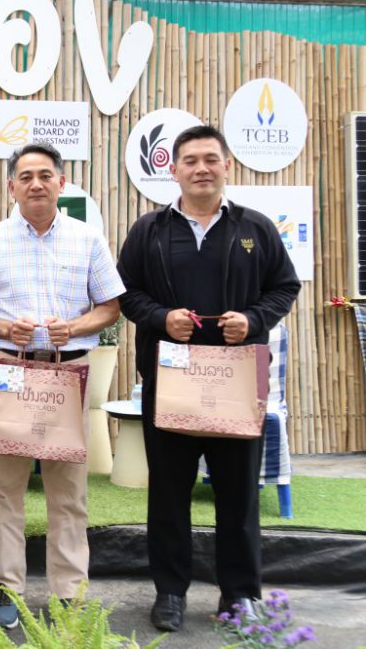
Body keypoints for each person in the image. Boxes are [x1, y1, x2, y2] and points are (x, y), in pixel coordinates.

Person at [116, 124, 300, 632]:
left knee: (239, 497)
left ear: (226, 166)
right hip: (170, 384)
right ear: (172, 170)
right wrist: (159, 318)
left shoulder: (255, 228)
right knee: (169, 496)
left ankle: (240, 598)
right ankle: (170, 593)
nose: (201, 168)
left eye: (210, 159)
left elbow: (285, 286)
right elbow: (125, 293)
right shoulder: (148, 232)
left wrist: (255, 319)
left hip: (236, 385)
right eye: (190, 160)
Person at [0, 142, 124, 630]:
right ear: (11, 186)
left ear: (61, 184)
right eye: (25, 176)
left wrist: (77, 324)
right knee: (6, 489)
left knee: (68, 494)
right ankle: (7, 588)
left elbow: (110, 306)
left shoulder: (87, 239)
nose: (35, 183)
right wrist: (3, 328)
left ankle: (68, 595)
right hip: (10, 370)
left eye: (45, 175)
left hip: (66, 372)